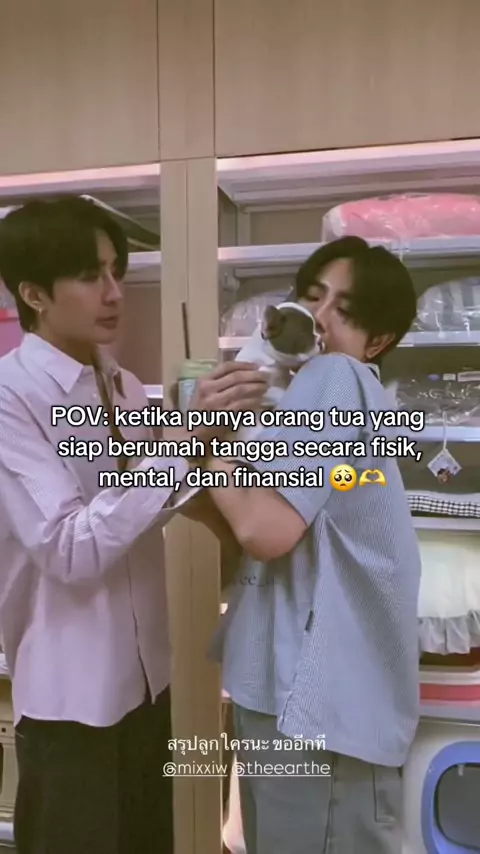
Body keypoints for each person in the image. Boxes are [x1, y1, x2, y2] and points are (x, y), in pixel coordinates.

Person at [0, 196, 267, 854]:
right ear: (33, 294)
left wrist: (230, 484)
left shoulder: (118, 384)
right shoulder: (11, 396)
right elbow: (69, 548)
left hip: (148, 681)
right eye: (90, 276)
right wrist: (181, 443)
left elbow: (146, 499)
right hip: (71, 697)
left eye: (116, 271)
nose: (114, 292)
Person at [196, 237, 422, 854]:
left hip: (314, 709)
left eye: (342, 310)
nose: (317, 319)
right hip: (284, 695)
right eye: (311, 297)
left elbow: (264, 532)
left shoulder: (335, 376)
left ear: (376, 341)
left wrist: (201, 444)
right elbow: (247, 529)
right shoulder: (296, 400)